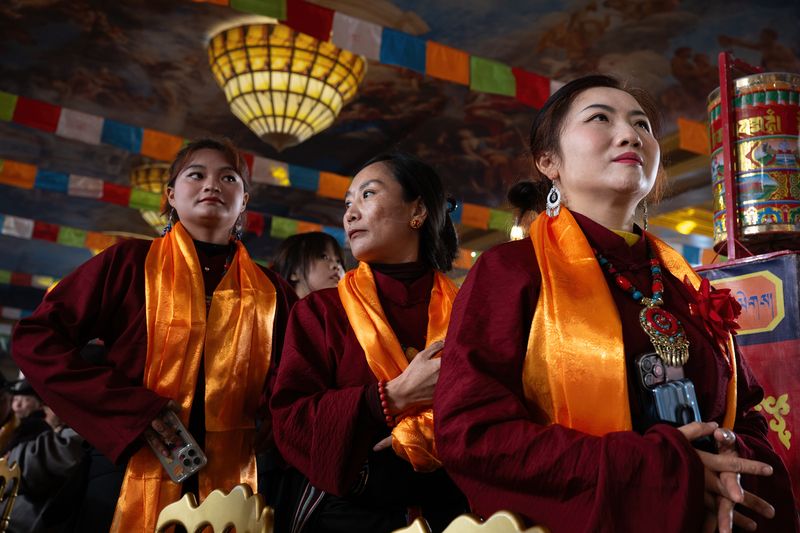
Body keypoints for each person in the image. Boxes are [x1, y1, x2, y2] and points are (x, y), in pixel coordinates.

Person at [434, 75, 799, 533]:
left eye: (642, 124)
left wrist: (729, 472)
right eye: (600, 119)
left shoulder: (683, 283)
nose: (630, 135)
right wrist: (661, 474)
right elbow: (472, 435)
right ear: (549, 161)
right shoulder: (510, 271)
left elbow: (745, 414)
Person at [11, 138, 297, 532]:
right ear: (171, 197)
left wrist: (272, 421)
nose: (212, 184)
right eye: (196, 175)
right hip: (127, 469)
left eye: (228, 178)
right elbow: (36, 337)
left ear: (244, 201)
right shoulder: (129, 262)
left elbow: (298, 377)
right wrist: (128, 407)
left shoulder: (274, 291)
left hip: (236, 484)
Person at [270, 152, 467, 532]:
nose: (350, 214)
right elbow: (291, 422)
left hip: (452, 512)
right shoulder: (321, 311)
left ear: (419, 210)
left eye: (367, 195)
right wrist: (390, 398)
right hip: (350, 511)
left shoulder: (466, 310)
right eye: (347, 203)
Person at [272, 231, 346, 298]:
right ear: (294, 271)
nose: (337, 266)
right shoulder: (272, 311)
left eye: (338, 261)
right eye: (324, 257)